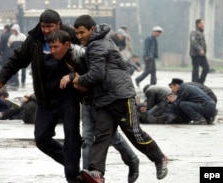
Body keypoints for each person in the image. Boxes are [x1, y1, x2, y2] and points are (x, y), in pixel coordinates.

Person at [72, 15, 168, 183]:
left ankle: (159, 158)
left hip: (121, 96)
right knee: (101, 136)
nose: (79, 36)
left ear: (91, 30)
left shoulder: (97, 45)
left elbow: (97, 74)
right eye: (76, 33)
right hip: (104, 99)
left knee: (134, 133)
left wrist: (77, 79)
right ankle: (96, 173)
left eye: (82, 32)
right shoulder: (96, 43)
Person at [0, 9, 81, 183]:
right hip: (44, 97)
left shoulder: (72, 36)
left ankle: (73, 177)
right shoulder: (34, 39)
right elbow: (18, 59)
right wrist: (2, 77)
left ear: (59, 25)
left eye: (50, 27)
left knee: (72, 135)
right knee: (41, 139)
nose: (47, 30)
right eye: (44, 27)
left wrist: (76, 77)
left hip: (68, 96)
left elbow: (89, 59)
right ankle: (71, 165)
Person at [47, 30, 140, 183]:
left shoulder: (82, 54)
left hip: (102, 100)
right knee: (90, 138)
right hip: (87, 100)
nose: (53, 51)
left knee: (110, 137)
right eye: (50, 47)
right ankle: (88, 175)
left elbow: (97, 75)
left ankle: (131, 160)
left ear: (66, 44)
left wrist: (74, 79)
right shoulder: (58, 60)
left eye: (55, 47)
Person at [189, 19, 209, 85]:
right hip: (195, 54)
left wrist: (204, 51)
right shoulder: (194, 32)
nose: (204, 25)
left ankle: (200, 83)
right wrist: (200, 49)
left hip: (202, 55)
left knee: (206, 68)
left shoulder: (201, 32)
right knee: (196, 69)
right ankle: (194, 83)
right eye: (202, 23)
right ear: (198, 24)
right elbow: (193, 43)